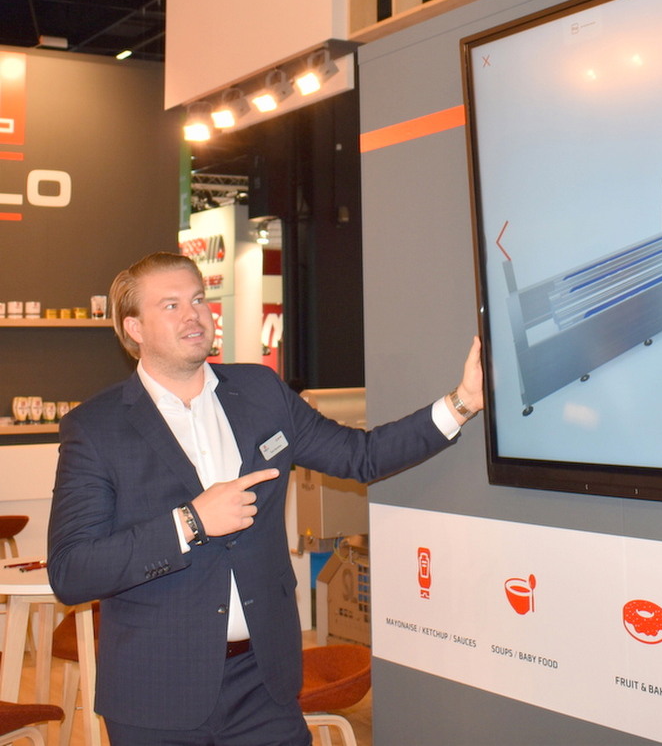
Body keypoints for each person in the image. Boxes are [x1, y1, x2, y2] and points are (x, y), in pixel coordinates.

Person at [47, 251, 483, 745]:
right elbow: (72, 571)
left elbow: (360, 455)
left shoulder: (260, 391)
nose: (193, 315)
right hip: (157, 696)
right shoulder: (96, 427)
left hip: (263, 685)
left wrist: (462, 402)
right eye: (170, 305)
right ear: (134, 328)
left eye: (198, 299)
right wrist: (190, 522)